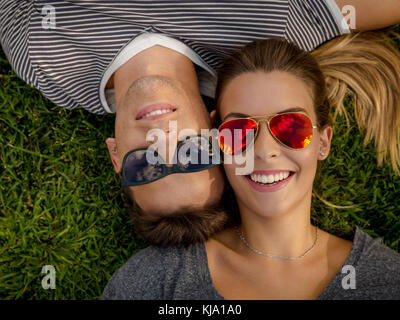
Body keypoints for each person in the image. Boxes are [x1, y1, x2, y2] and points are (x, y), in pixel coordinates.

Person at [1, 1, 400, 247]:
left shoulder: (46, 60)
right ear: (216, 131)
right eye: (192, 154)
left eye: (147, 166)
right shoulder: (271, 28)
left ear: (116, 155)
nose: (163, 139)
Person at [101, 34, 400, 299]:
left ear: (323, 142)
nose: (265, 151)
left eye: (292, 127)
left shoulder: (387, 279)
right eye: (240, 131)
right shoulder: (156, 281)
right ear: (217, 141)